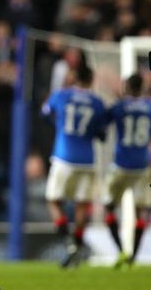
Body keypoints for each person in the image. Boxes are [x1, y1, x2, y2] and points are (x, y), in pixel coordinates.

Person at [41, 62, 106, 268]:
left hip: (64, 157)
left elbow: (45, 112)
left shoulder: (61, 95)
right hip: (87, 160)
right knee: (81, 204)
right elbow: (101, 133)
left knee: (53, 200)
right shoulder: (97, 102)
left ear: (74, 77)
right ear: (91, 80)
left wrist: (58, 124)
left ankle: (68, 242)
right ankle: (77, 243)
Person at [102, 73, 151, 268]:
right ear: (142, 88)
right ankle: (133, 257)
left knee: (108, 206)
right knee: (141, 213)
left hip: (121, 165)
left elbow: (103, 123)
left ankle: (121, 249)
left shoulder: (119, 106)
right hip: (142, 165)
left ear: (127, 87)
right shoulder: (149, 106)